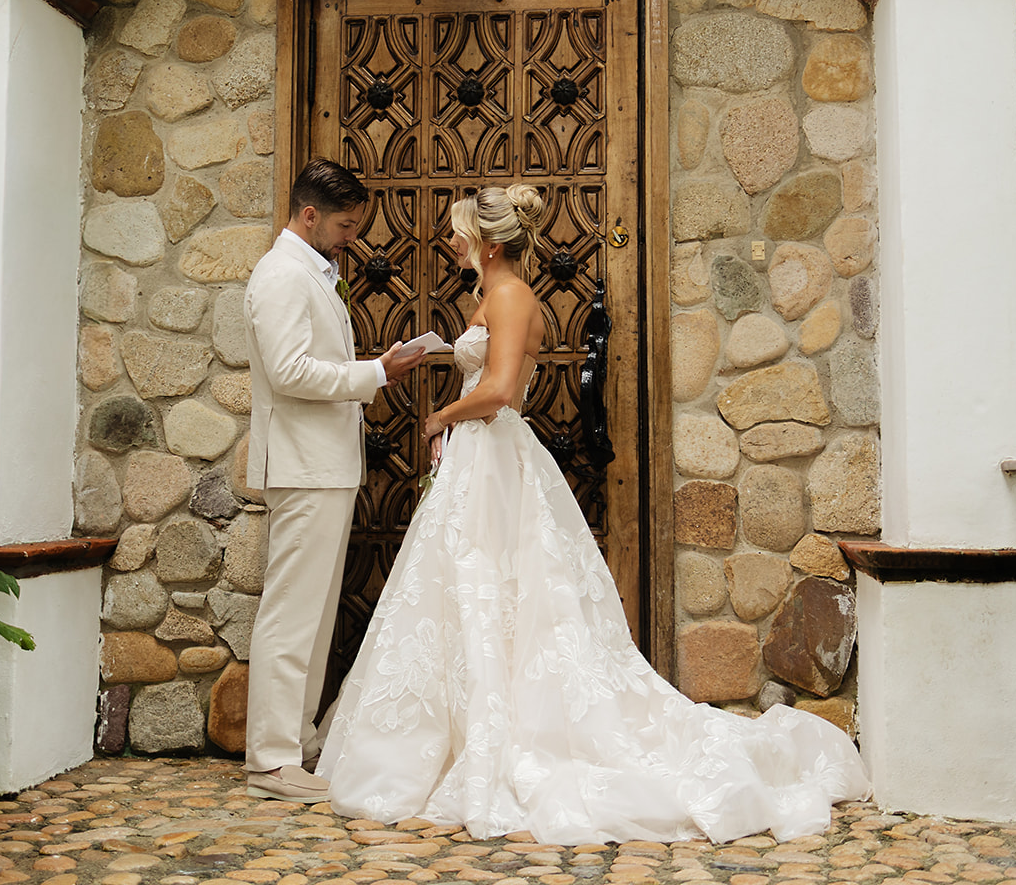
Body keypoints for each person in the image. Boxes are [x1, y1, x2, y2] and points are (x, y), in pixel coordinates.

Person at [316, 184, 871, 844]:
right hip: (479, 460)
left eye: (458, 232)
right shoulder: (488, 297)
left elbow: (495, 391)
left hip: (493, 451)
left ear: (489, 244)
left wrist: (440, 414)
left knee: (494, 582)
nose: (450, 241)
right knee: (469, 588)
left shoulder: (511, 295)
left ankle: (501, 730)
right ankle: (457, 727)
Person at [242, 159, 424, 804]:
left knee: (315, 615)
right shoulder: (281, 276)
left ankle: (296, 741)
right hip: (301, 464)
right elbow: (290, 372)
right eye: (346, 225)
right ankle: (268, 758)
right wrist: (375, 372)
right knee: (291, 613)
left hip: (324, 463)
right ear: (309, 214)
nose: (353, 237)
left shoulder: (313, 272)